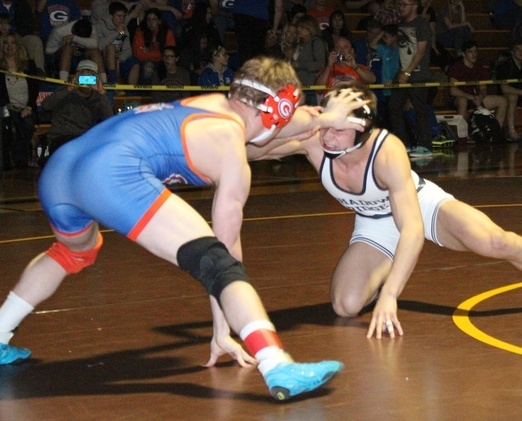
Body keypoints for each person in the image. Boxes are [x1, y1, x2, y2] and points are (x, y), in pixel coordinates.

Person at [0, 56, 369, 401]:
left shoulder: (215, 103)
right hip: (112, 175)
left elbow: (281, 125)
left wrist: (320, 119)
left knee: (73, 251)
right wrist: (221, 328)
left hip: (61, 171)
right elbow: (224, 255)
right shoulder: (229, 148)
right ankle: (277, 364)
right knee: (221, 266)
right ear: (279, 110)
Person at [250, 81, 522, 339]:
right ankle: (387, 267)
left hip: (421, 207)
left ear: (362, 129)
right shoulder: (314, 139)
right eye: (325, 124)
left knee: (496, 242)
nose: (327, 137)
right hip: (374, 224)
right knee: (345, 305)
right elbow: (249, 150)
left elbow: (413, 229)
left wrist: (390, 296)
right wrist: (286, 118)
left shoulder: (387, 152)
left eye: (337, 129)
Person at [388, 0, 433, 157]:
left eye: (404, 5)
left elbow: (420, 52)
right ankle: (404, 143)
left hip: (417, 74)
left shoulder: (421, 24)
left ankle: (426, 146)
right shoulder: (401, 24)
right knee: (394, 106)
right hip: (403, 71)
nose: (401, 8)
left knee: (420, 109)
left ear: (414, 5)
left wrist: (407, 73)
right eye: (399, 4)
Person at [40, 59, 113, 157]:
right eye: (83, 77)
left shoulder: (99, 98)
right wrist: (70, 88)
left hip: (84, 139)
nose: (86, 81)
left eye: (90, 77)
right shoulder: (64, 92)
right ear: (76, 77)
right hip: (61, 137)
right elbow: (46, 105)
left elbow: (109, 119)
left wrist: (101, 93)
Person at [0, 32, 40, 169]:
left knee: (27, 122)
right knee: (10, 120)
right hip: (7, 107)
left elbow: (35, 88)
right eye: (6, 43)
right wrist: (5, 104)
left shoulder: (29, 65)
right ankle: (15, 159)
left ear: (18, 46)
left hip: (26, 107)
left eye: (12, 43)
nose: (9, 46)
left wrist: (28, 107)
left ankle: (19, 158)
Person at [448, 40, 507, 130]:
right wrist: (470, 97)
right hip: (461, 97)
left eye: (475, 51)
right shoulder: (457, 67)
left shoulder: (479, 67)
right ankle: (463, 134)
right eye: (470, 52)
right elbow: (453, 90)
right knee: (462, 101)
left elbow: (483, 88)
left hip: (475, 97)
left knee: (502, 100)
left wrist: (480, 97)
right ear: (463, 54)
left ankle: (496, 131)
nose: (474, 54)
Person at [496, 41, 522, 141]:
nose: (521, 52)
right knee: (512, 97)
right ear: (512, 52)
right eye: (518, 49)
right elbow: (504, 88)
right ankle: (512, 131)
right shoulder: (505, 66)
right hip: (506, 96)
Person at [45, 18, 108, 84]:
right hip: (61, 57)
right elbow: (48, 51)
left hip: (81, 55)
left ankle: (104, 82)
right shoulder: (60, 31)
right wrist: (62, 46)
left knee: (95, 51)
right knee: (67, 48)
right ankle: (63, 82)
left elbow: (95, 44)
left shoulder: (90, 28)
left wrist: (73, 38)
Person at [95, 1, 139, 84]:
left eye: (123, 16)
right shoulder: (100, 25)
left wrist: (120, 59)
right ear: (111, 16)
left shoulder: (123, 27)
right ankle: (113, 81)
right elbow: (99, 46)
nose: (122, 19)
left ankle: (131, 94)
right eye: (119, 16)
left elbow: (128, 50)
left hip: (119, 59)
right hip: (103, 60)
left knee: (135, 64)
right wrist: (116, 32)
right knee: (111, 47)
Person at [132, 7, 176, 85]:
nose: (151, 23)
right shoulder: (140, 31)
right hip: (145, 62)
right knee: (148, 67)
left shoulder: (167, 32)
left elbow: (170, 54)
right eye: (148, 20)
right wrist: (159, 53)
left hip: (163, 61)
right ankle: (145, 95)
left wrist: (149, 52)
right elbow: (139, 54)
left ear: (159, 21)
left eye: (154, 20)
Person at [291, 15, 325, 105]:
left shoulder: (316, 42)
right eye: (299, 27)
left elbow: (320, 64)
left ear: (310, 28)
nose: (299, 30)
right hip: (299, 87)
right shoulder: (299, 44)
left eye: (302, 28)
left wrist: (300, 65)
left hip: (311, 88)